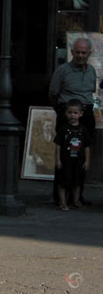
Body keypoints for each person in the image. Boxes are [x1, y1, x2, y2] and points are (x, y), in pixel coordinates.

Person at [48, 37, 96, 206]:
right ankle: (60, 197)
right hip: (67, 113)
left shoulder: (91, 71)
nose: (80, 55)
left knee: (82, 155)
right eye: (77, 52)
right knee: (64, 155)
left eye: (84, 52)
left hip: (86, 114)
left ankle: (77, 196)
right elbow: (53, 93)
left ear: (89, 53)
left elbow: (92, 92)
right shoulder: (63, 70)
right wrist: (62, 112)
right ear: (72, 52)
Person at [54, 99, 91, 210]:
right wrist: (57, 160)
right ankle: (63, 202)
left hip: (78, 160)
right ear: (66, 113)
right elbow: (58, 145)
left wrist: (87, 161)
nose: (72, 115)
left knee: (77, 182)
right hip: (65, 160)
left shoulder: (83, 130)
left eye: (75, 113)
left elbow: (87, 146)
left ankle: (76, 200)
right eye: (70, 112)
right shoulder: (63, 129)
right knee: (63, 181)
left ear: (80, 114)